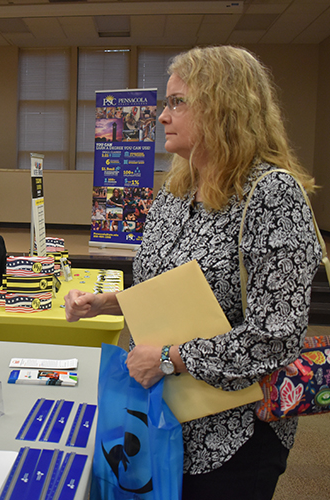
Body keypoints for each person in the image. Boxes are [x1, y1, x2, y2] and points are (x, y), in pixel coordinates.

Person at [65, 46, 322, 500]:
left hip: (235, 434)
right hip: (166, 418)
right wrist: (107, 302)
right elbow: (164, 289)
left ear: (225, 107)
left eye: (177, 102)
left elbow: (275, 335)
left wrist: (168, 358)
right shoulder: (175, 191)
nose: (162, 116)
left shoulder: (271, 195)